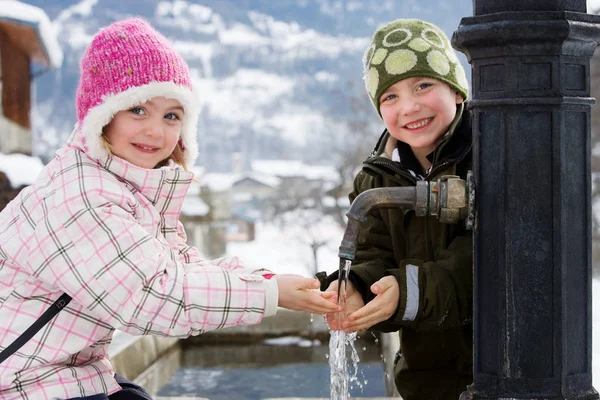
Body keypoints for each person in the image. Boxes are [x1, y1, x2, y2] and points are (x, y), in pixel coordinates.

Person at [0, 18, 340, 400]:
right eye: (138, 110)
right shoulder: (80, 195)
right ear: (102, 116)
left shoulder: (129, 187)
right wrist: (269, 294)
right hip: (22, 380)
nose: (156, 132)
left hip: (69, 372)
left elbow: (182, 269)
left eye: (171, 116)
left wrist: (268, 281)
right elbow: (152, 296)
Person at [320, 19, 473, 400]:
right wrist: (355, 288)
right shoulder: (377, 180)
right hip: (424, 382)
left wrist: (406, 293)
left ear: (456, 90)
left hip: (502, 370)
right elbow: (373, 255)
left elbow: (485, 263)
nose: (409, 106)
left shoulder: (489, 154)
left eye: (423, 85)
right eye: (390, 97)